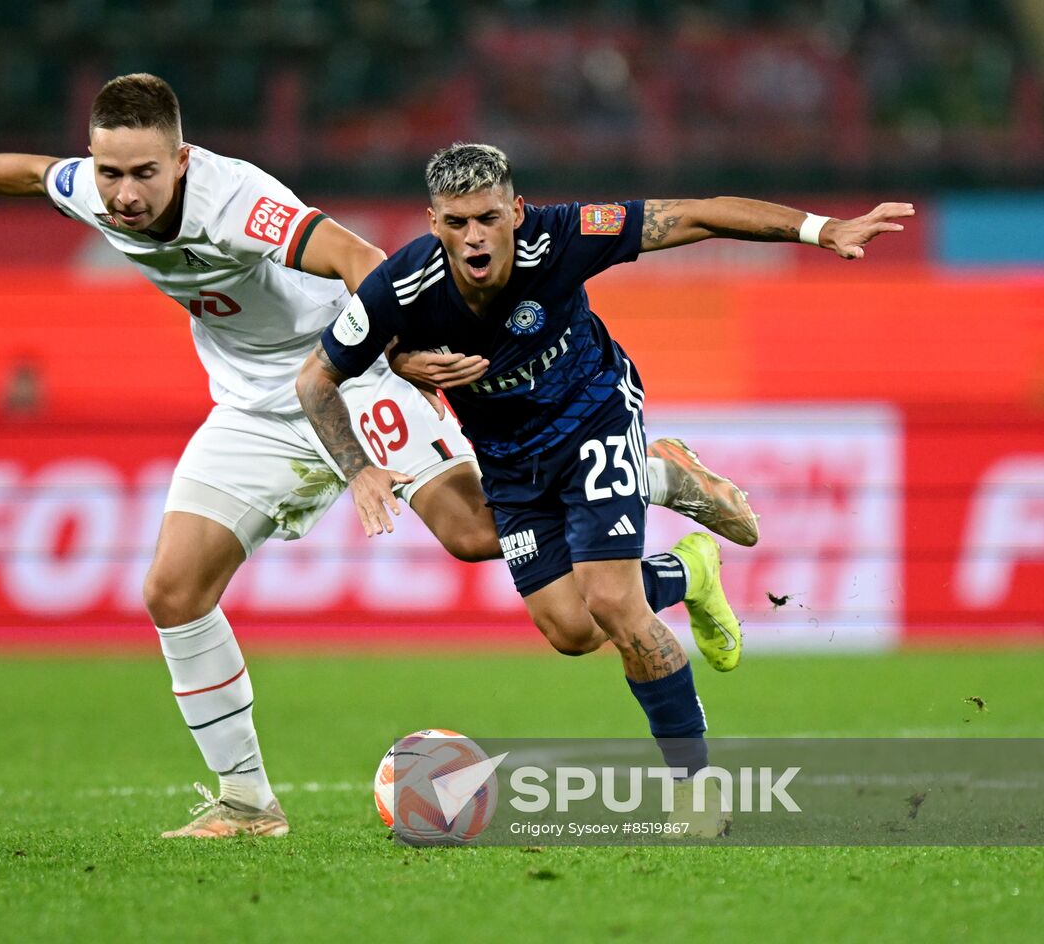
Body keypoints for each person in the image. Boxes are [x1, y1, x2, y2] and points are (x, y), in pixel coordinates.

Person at [0, 75, 756, 839]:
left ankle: (655, 471)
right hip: (250, 405)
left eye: (141, 171)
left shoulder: (237, 201)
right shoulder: (97, 187)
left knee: (477, 535)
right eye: (109, 171)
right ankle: (247, 803)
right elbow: (24, 172)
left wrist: (397, 354)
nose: (123, 193)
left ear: (181, 159)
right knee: (171, 591)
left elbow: (361, 255)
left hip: (351, 371)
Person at [298, 142, 912, 836]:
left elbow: (695, 218)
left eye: (490, 218)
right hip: (509, 460)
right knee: (570, 628)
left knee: (614, 603)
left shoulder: (560, 237)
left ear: (516, 212)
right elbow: (316, 379)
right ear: (434, 224)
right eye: (458, 222)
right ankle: (685, 562)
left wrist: (818, 230)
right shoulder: (401, 285)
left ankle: (697, 789)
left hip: (594, 412)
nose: (476, 237)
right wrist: (363, 456)